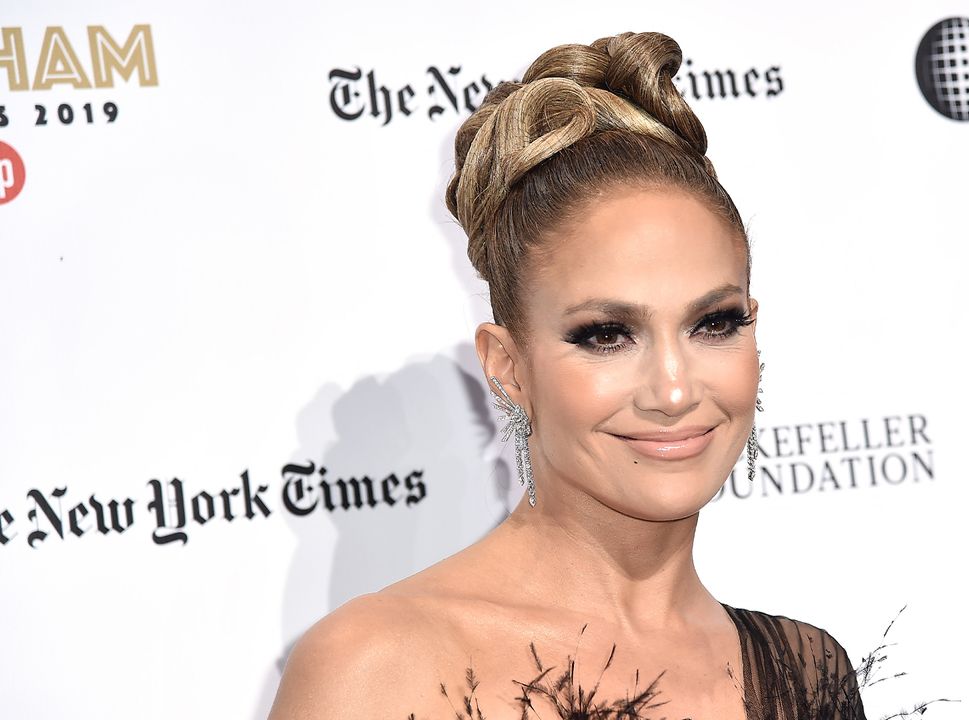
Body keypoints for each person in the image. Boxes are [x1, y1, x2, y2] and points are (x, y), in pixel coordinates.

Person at [269, 31, 867, 720]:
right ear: (508, 367)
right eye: (606, 335)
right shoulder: (377, 669)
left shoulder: (807, 669)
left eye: (714, 324)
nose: (674, 390)